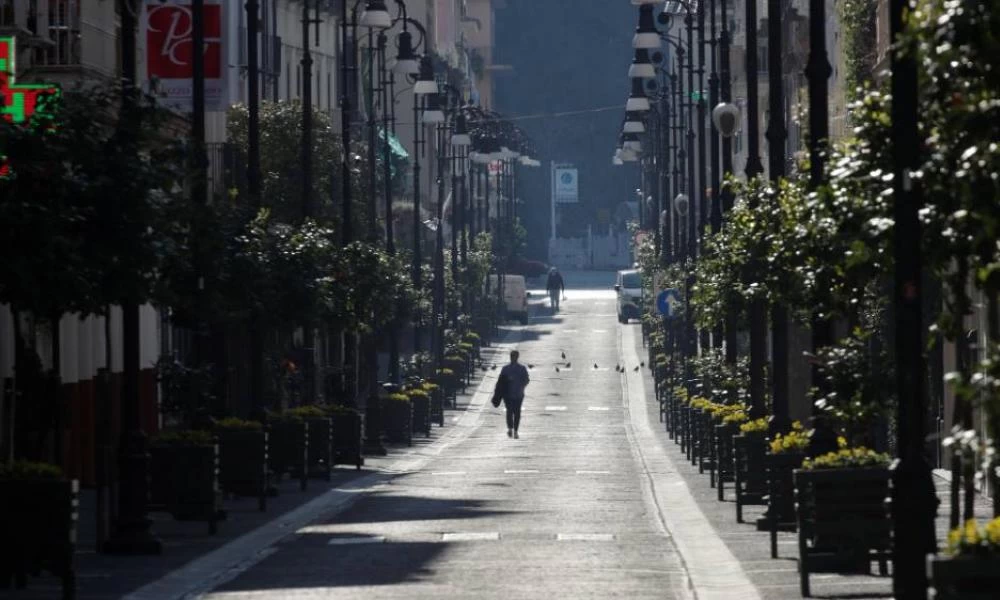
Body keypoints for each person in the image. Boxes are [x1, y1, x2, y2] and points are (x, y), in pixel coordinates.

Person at [496, 349, 530, 438]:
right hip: (508, 394)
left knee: (516, 412)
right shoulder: (506, 369)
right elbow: (501, 381)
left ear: (517, 357)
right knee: (510, 411)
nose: (513, 358)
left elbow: (526, 380)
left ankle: (515, 430)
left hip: (518, 394)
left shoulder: (521, 369)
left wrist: (521, 386)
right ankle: (511, 429)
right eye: (512, 356)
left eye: (514, 356)